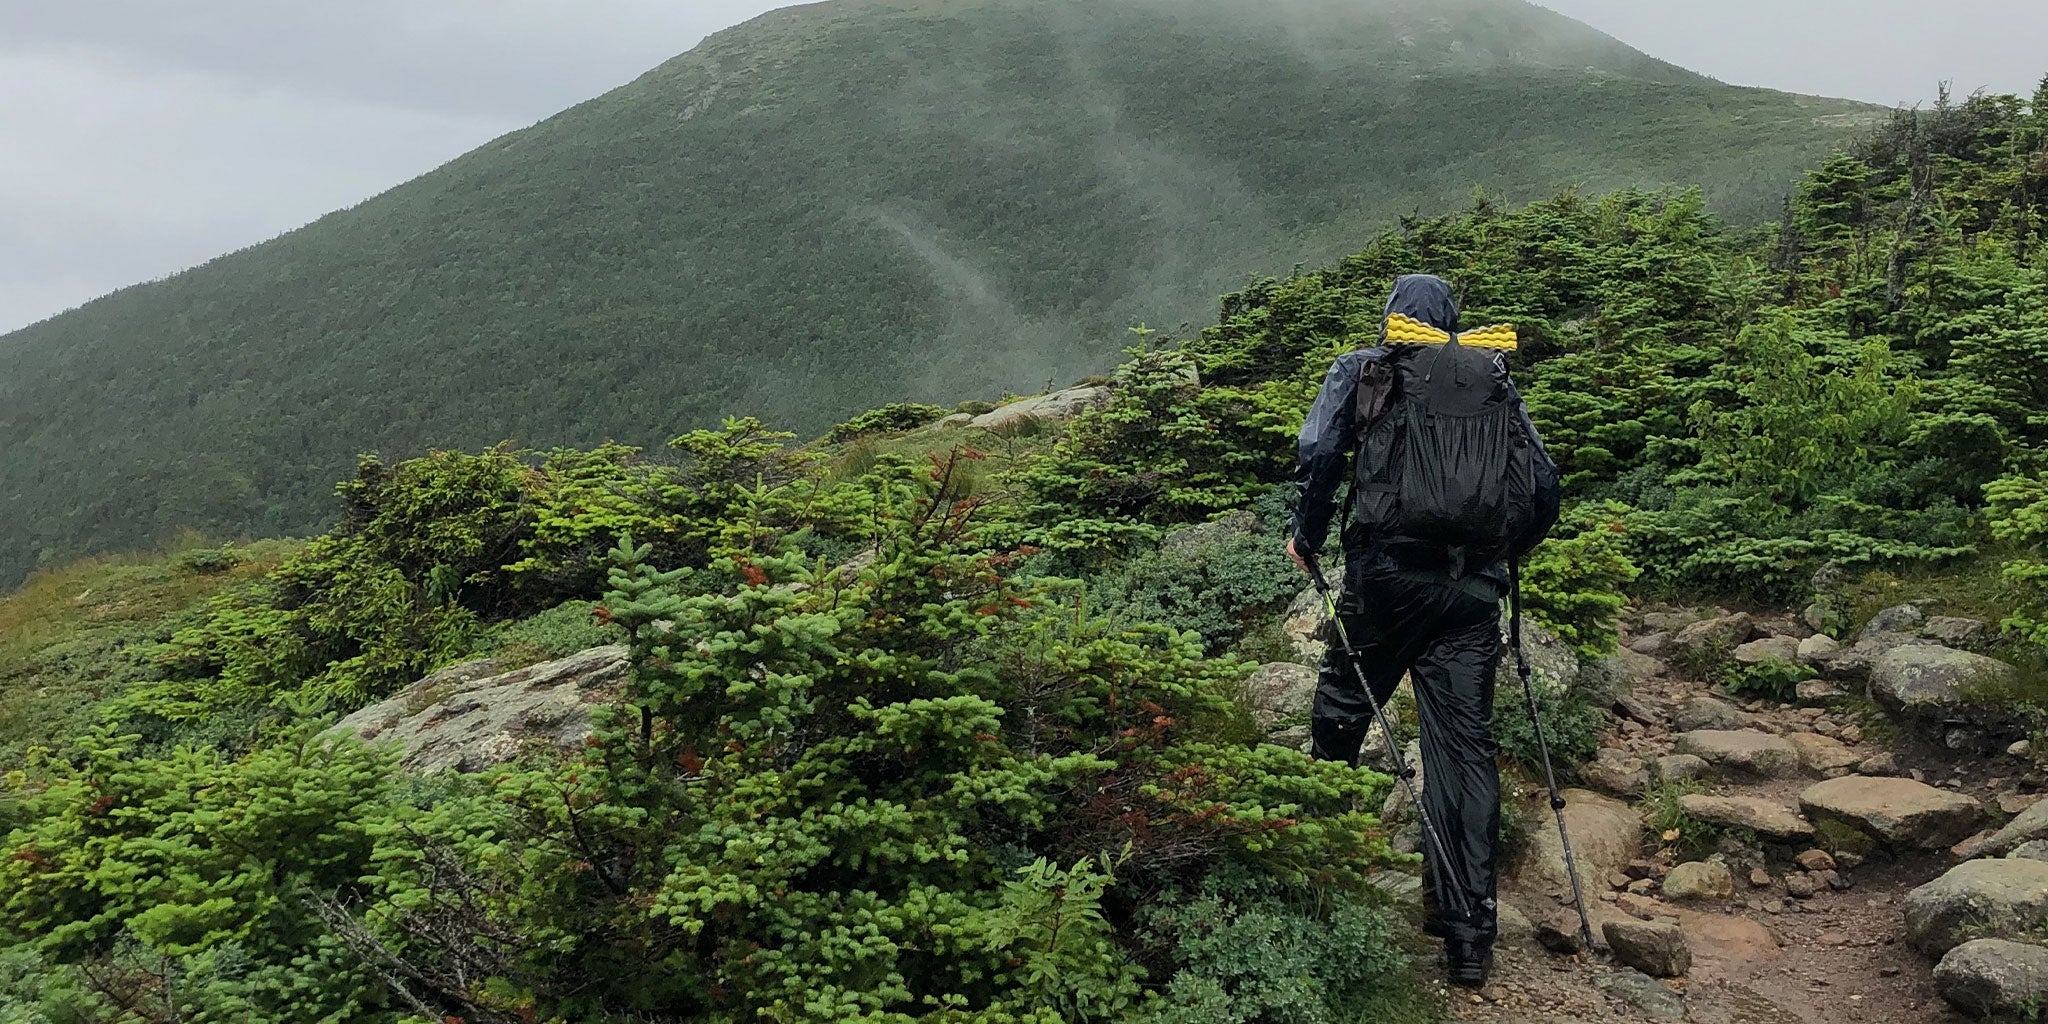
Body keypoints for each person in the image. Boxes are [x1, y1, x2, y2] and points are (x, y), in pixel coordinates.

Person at [1285, 273, 1559, 987]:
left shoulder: (1365, 368)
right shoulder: (1490, 379)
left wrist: (1306, 537)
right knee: (1463, 751)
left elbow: (1319, 456)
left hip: (1386, 581)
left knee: (1342, 712)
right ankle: (1469, 939)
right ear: (1454, 323)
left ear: (1392, 318)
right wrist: (1499, 556)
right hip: (1470, 594)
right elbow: (1544, 487)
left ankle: (1314, 868)